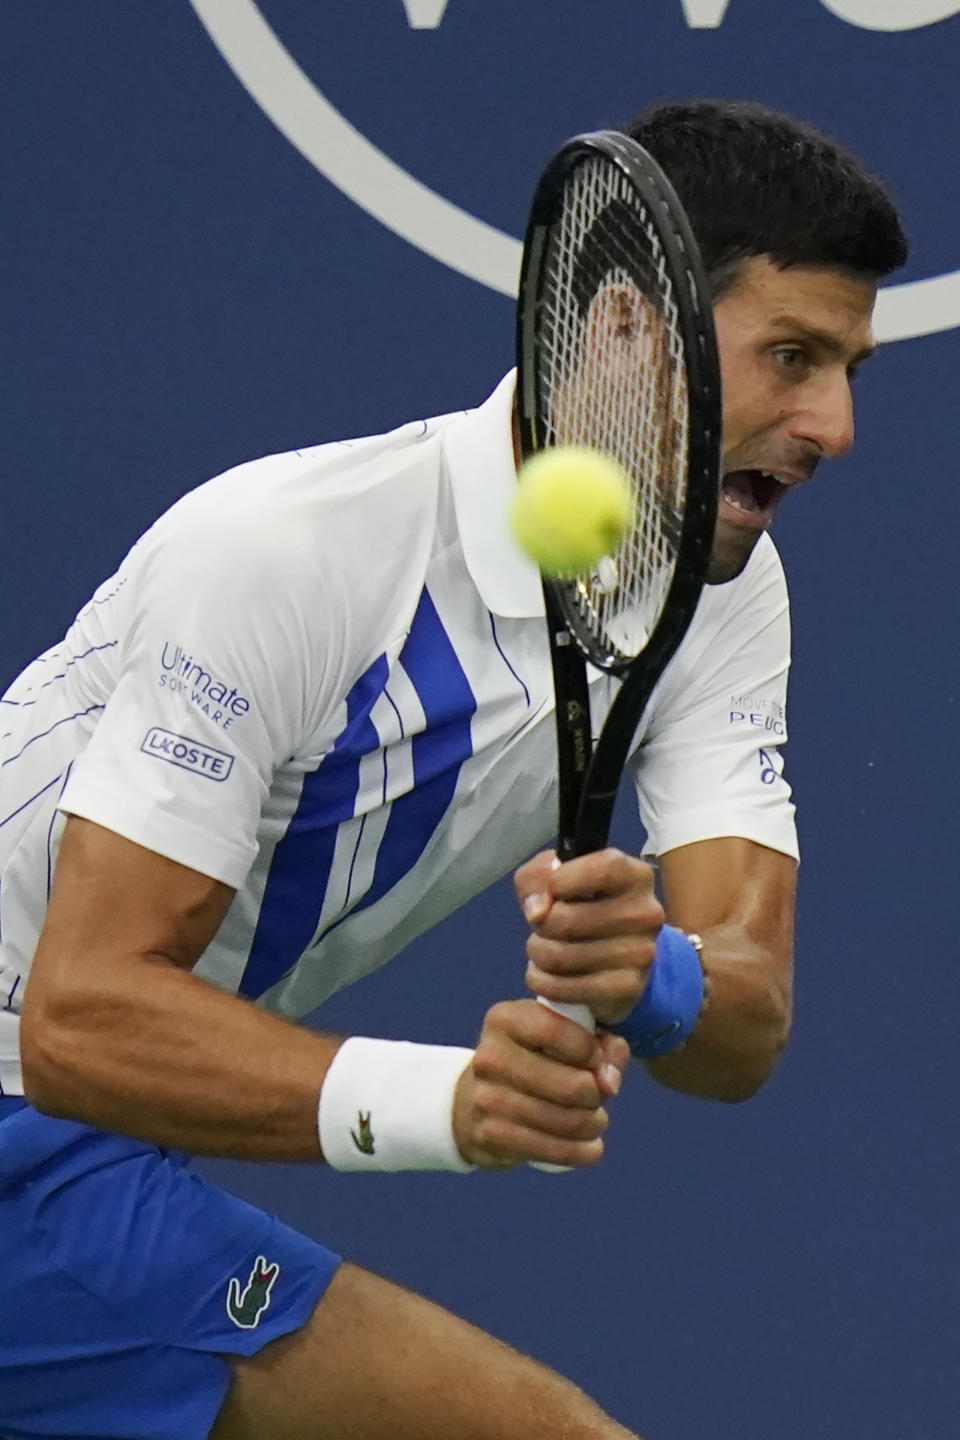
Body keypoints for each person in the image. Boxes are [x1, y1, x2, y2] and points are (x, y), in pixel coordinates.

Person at [0, 99, 907, 1440]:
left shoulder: (726, 593)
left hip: (77, 1145)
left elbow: (743, 1025)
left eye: (849, 370)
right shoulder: (288, 553)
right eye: (790, 356)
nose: (831, 425)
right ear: (625, 326)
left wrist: (652, 974)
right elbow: (74, 1018)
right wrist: (450, 1102)